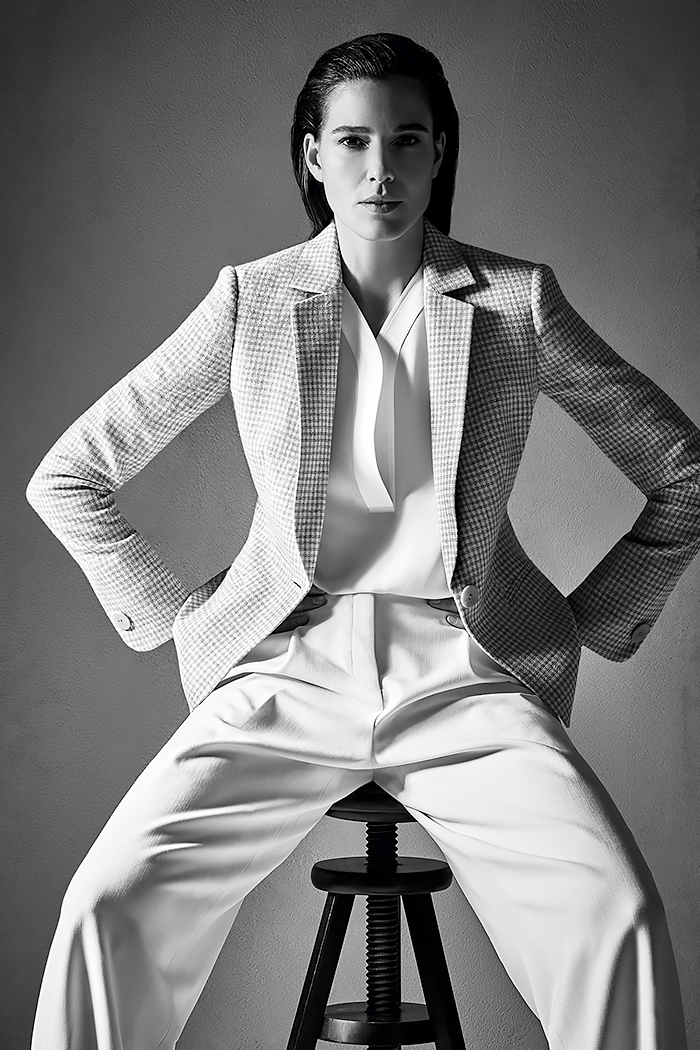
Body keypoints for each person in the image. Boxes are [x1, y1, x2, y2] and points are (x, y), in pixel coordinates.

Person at [26, 31, 700, 1050]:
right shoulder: (252, 300)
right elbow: (70, 475)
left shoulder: (512, 301)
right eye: (352, 141)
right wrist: (187, 618)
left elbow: (682, 468)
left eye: (406, 140)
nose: (381, 168)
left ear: (439, 152)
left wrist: (583, 623)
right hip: (289, 666)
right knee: (105, 907)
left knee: (619, 918)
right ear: (312, 155)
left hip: (463, 670)